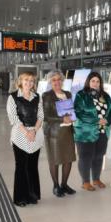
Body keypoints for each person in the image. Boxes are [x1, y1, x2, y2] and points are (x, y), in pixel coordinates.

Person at [6, 72, 44, 207]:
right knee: (21, 166)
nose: (29, 83)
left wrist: (34, 131)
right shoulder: (13, 97)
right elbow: (14, 118)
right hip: (20, 135)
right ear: (20, 82)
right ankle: (20, 197)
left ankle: (32, 195)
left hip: (36, 134)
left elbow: (40, 116)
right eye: (26, 80)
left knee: (33, 166)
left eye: (32, 81)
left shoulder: (37, 97)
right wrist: (27, 132)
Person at [74, 72, 111, 191]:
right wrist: (97, 120)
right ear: (88, 82)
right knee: (85, 157)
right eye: (93, 81)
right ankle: (85, 182)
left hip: (103, 131)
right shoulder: (81, 95)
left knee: (99, 156)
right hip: (85, 132)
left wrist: (107, 120)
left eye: (97, 81)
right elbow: (79, 112)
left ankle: (96, 179)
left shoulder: (105, 96)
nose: (95, 83)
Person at [42, 70, 77, 198]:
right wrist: (62, 119)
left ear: (62, 81)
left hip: (67, 132)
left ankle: (64, 185)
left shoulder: (67, 94)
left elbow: (71, 111)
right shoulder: (47, 95)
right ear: (50, 82)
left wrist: (73, 116)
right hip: (54, 134)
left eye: (59, 79)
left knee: (68, 159)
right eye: (54, 80)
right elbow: (46, 116)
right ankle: (56, 186)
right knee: (55, 160)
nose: (57, 82)